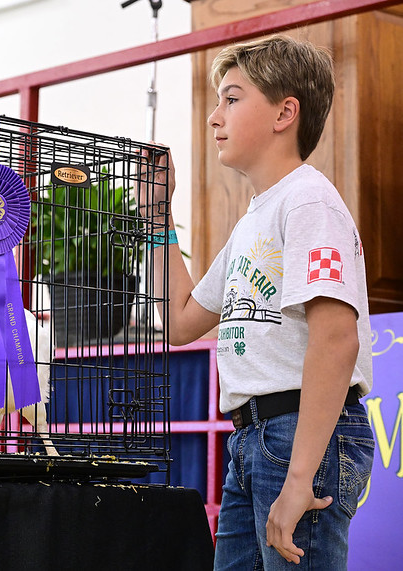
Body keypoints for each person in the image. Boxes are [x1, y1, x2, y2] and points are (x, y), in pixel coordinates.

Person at [144, 35, 375, 569]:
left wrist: (299, 479)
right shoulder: (253, 221)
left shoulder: (309, 202)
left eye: (232, 98)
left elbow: (337, 340)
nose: (213, 117)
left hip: (299, 435)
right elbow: (180, 321)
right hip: (252, 439)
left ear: (284, 113)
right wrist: (158, 216)